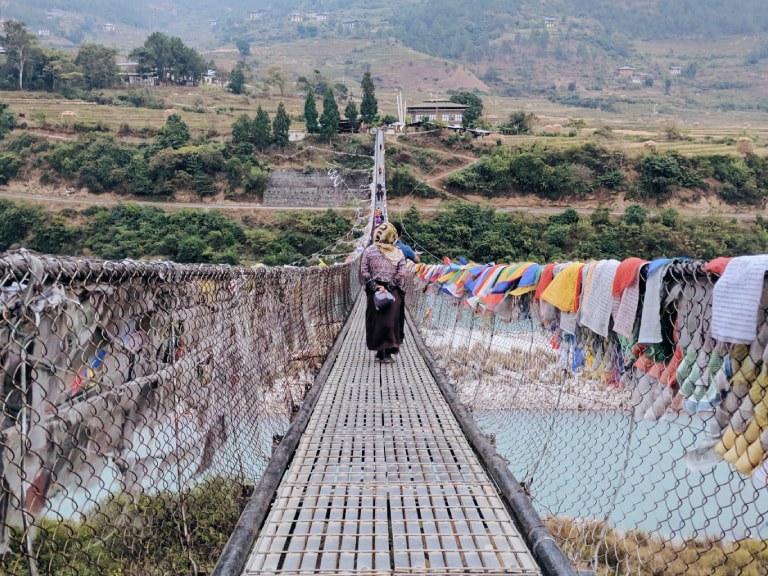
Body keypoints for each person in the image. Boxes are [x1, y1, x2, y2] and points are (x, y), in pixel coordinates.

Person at [361, 222, 406, 364]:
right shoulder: (398, 252)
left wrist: (376, 287)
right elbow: (402, 273)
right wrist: (389, 286)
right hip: (392, 293)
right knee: (391, 321)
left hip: (374, 293)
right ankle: (387, 354)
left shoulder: (368, 251)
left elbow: (364, 271)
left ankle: (379, 352)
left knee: (375, 321)